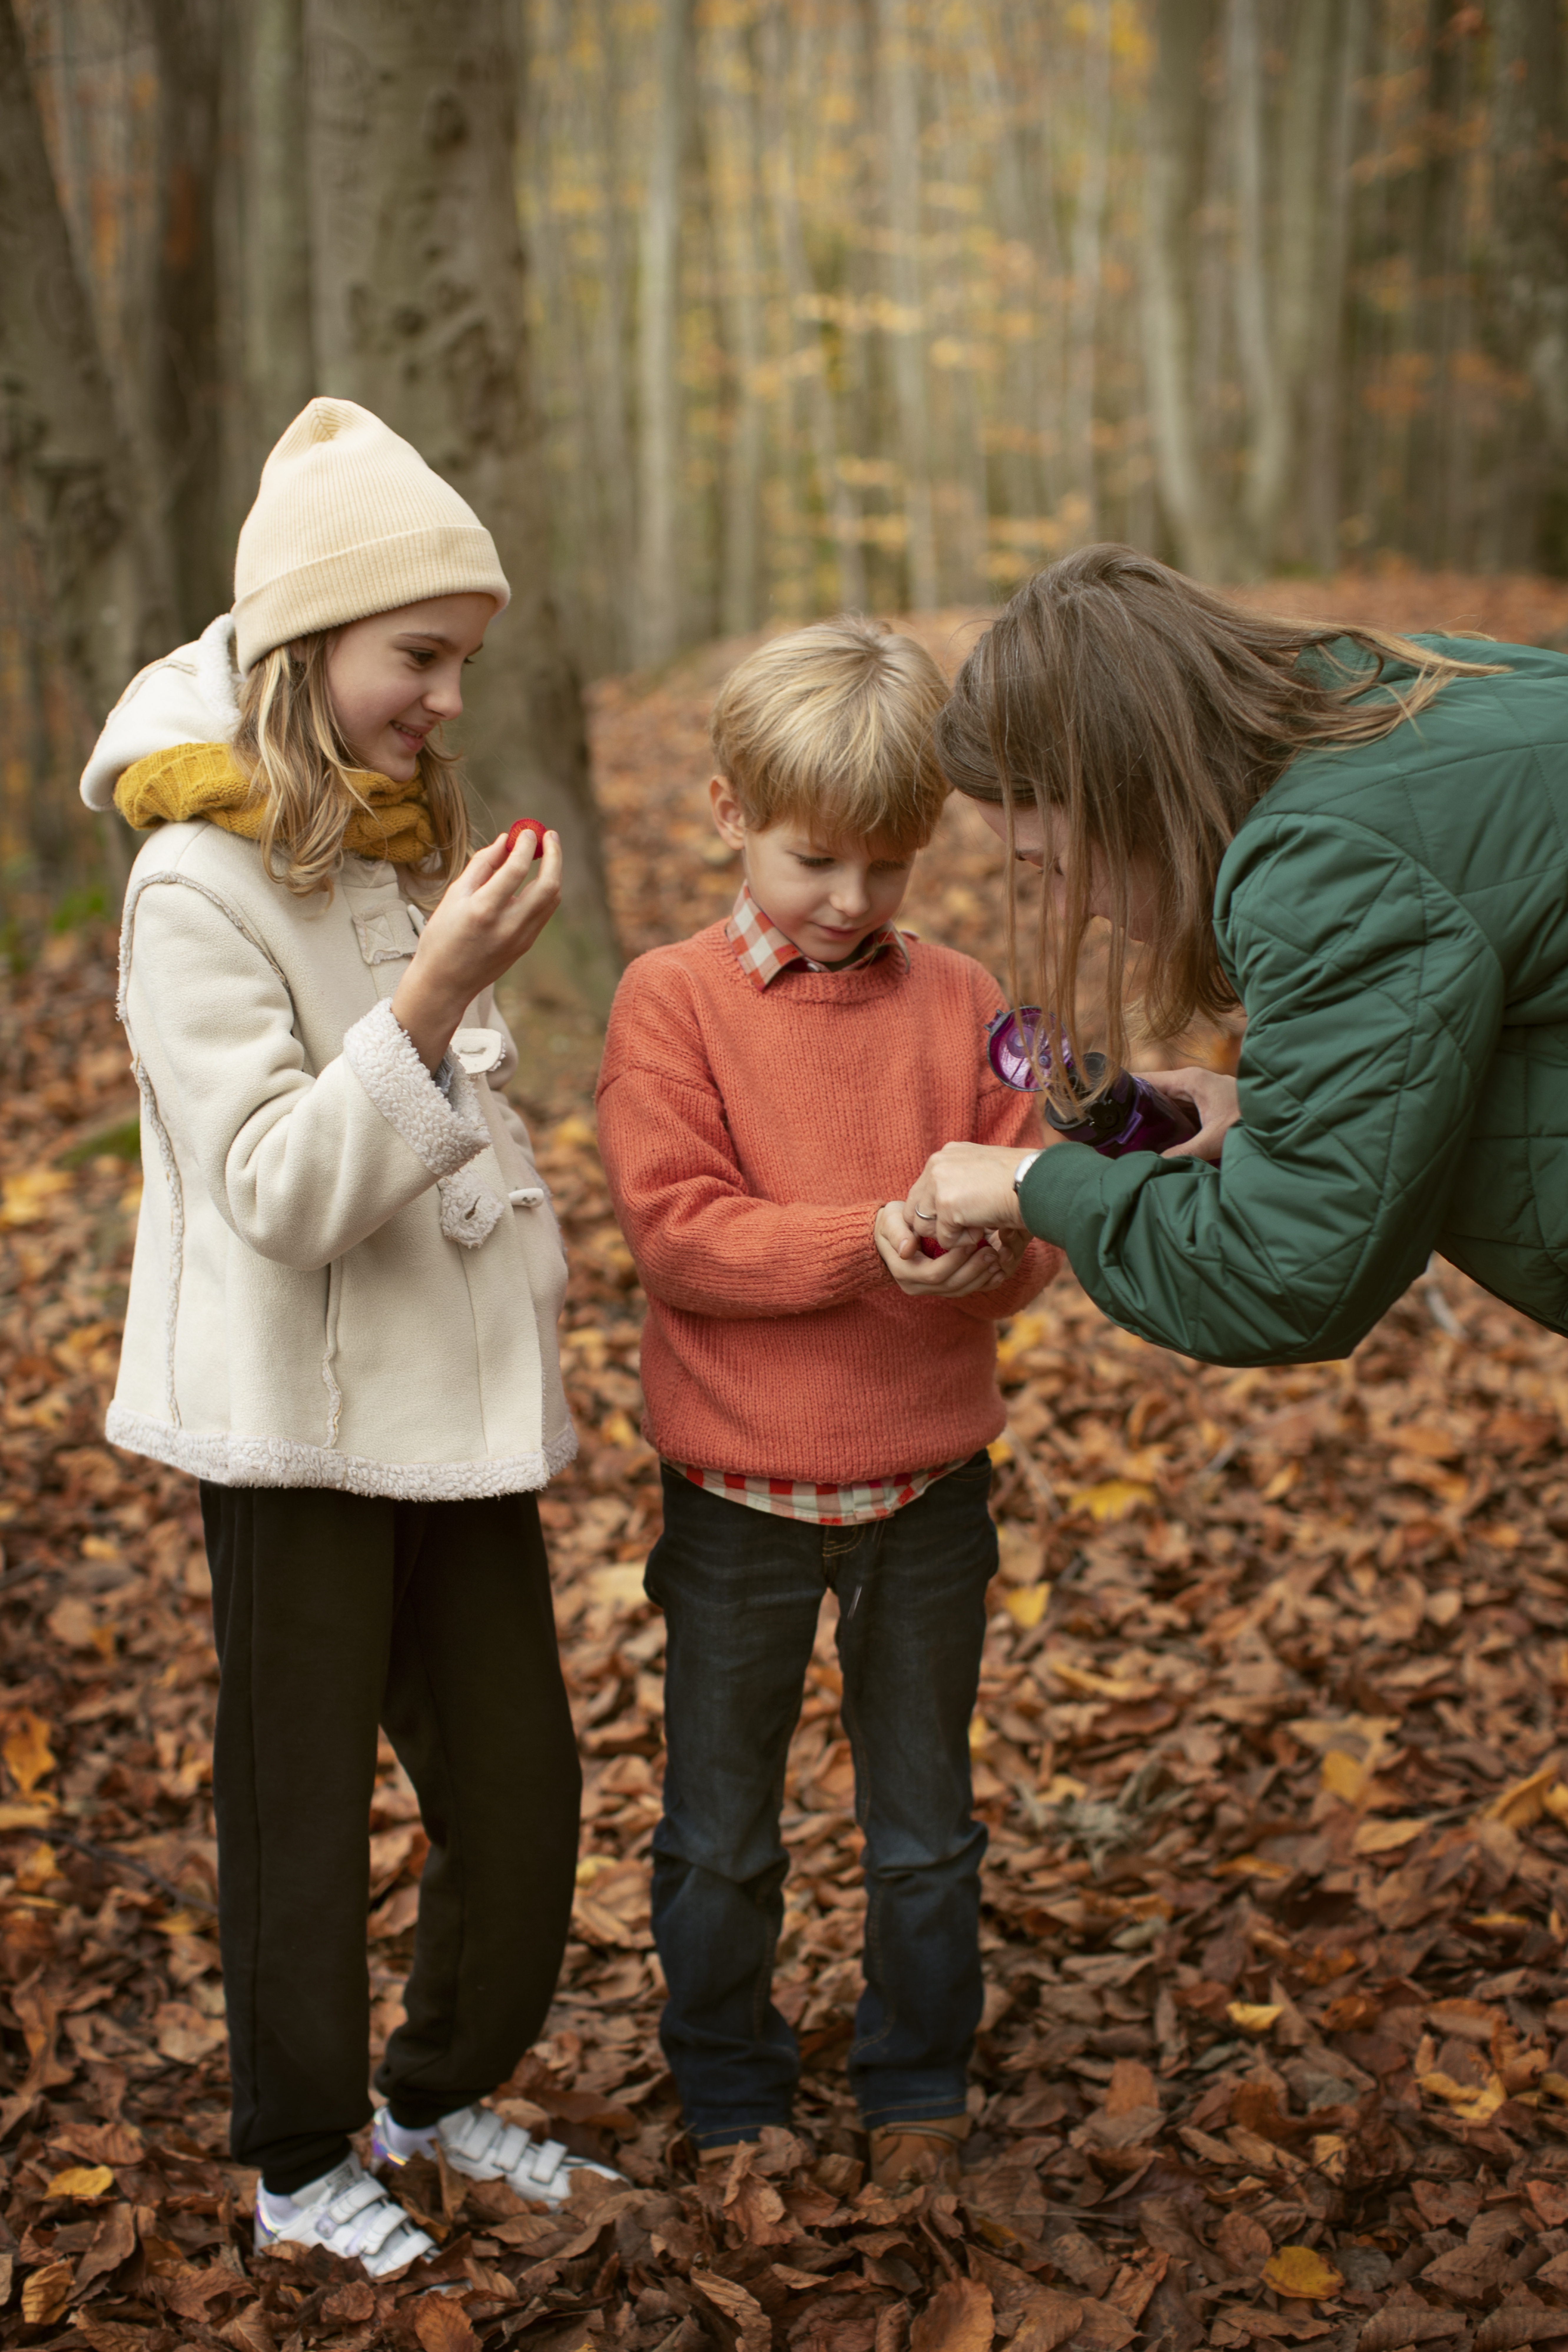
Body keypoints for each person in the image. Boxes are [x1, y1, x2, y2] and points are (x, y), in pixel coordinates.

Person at [79, 398, 617, 2273]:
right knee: (297, 1813)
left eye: (462, 663)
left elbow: (447, 1114)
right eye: (421, 658)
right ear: (311, 644)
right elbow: (281, 1191)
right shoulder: (188, 881)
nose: (449, 701)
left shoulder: (380, 832)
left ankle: (439, 2087)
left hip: (452, 1412)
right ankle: (302, 2163)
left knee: (523, 1791)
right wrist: (442, 982)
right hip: (294, 1424)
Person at [594, 619, 1061, 2188]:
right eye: (815, 860)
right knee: (722, 1827)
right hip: (738, 1501)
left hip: (929, 1494)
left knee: (924, 1820)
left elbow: (1041, 1203)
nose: (853, 900)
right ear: (731, 814)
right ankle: (729, 2081)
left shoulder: (976, 995)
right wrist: (870, 1237)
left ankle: (918, 2072)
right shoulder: (671, 1002)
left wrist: (985, 1263)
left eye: (890, 864)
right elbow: (680, 1232)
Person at [903, 542, 1568, 1363]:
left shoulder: (1326, 866)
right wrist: (1276, 1109)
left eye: (1058, 865)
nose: (1074, 910)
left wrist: (1031, 1186)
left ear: (1137, 797)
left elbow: (1284, 1280)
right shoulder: (1398, 702)